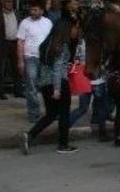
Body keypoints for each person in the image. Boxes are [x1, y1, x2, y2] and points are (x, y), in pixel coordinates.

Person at [20, 18, 78, 154]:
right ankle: (63, 145)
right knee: (64, 115)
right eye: (74, 28)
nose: (75, 31)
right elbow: (58, 67)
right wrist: (57, 88)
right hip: (59, 83)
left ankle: (30, 135)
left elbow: (44, 66)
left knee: (51, 114)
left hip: (45, 84)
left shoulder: (45, 44)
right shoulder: (62, 45)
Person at [17, 0, 53, 124]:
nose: (33, 12)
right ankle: (34, 113)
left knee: (48, 86)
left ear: (42, 11)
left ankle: (51, 112)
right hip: (30, 57)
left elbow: (52, 40)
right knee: (31, 86)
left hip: (45, 59)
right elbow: (20, 42)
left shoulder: (48, 22)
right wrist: (20, 61)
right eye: (31, 10)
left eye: (36, 10)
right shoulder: (24, 23)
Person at [0, 0, 22, 100]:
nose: (10, 3)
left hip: (15, 43)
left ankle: (18, 90)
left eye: (11, 1)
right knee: (0, 68)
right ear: (2, 2)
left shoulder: (17, 13)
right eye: (7, 1)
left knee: (17, 68)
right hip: (2, 43)